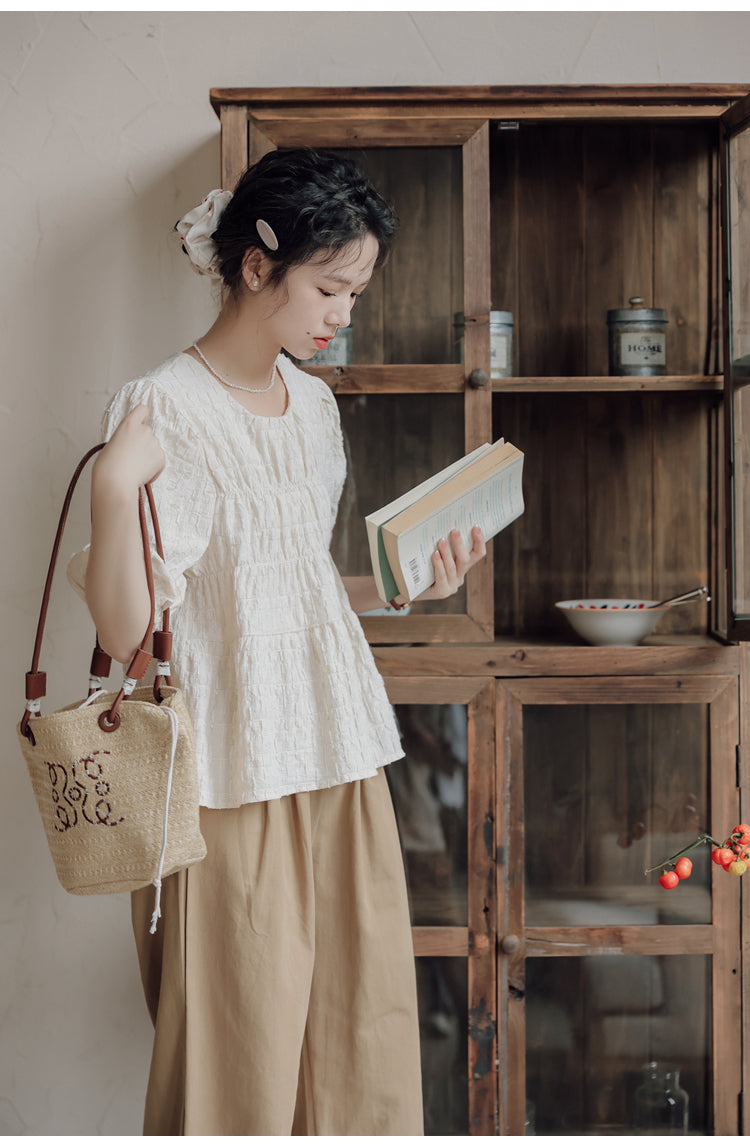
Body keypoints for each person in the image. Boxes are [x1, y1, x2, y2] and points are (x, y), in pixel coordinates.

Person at [71, 147, 486, 1136]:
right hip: (227, 774)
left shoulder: (317, 408)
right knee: (237, 1070)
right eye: (330, 286)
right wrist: (112, 489)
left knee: (363, 1051)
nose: (343, 312)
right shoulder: (162, 406)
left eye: (355, 289)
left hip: (339, 759)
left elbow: (289, 588)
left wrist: (402, 586)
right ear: (259, 266)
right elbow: (131, 633)